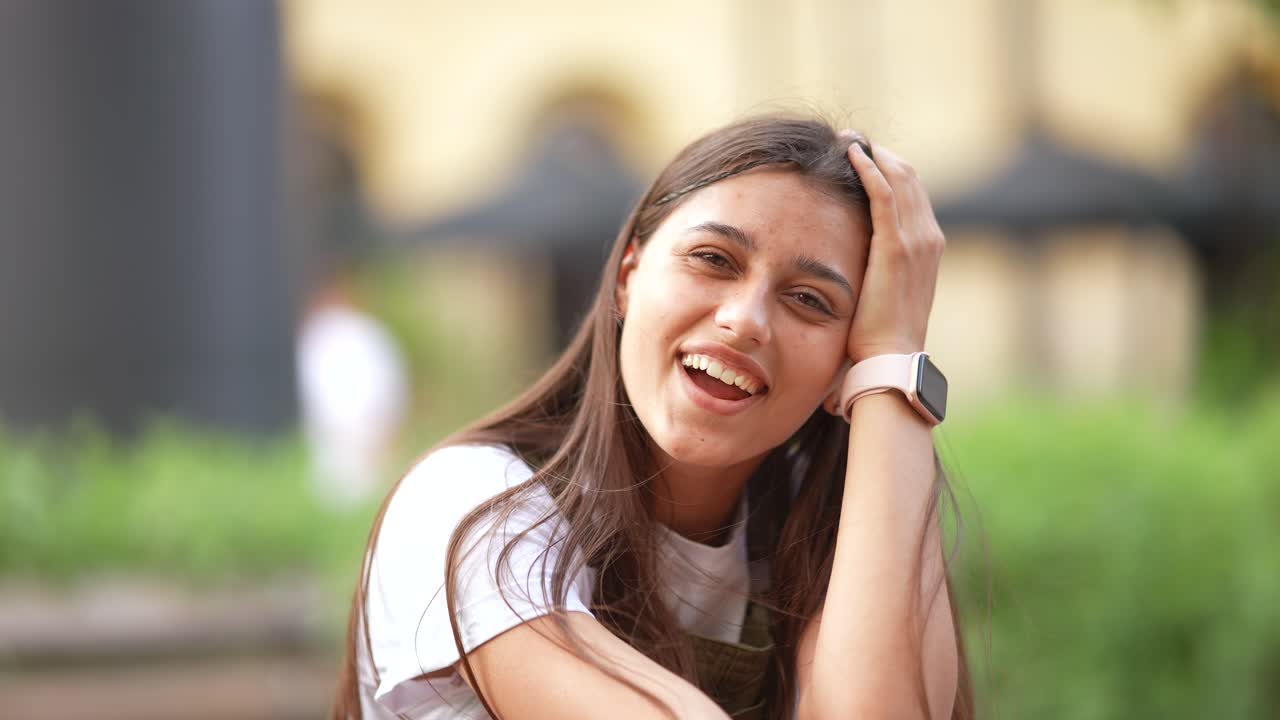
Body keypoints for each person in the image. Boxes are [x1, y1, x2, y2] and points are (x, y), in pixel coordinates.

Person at [331, 115, 975, 720]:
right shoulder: (471, 504)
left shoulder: (829, 527)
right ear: (628, 277)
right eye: (714, 259)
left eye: (809, 300)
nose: (743, 320)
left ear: (844, 362)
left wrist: (894, 361)